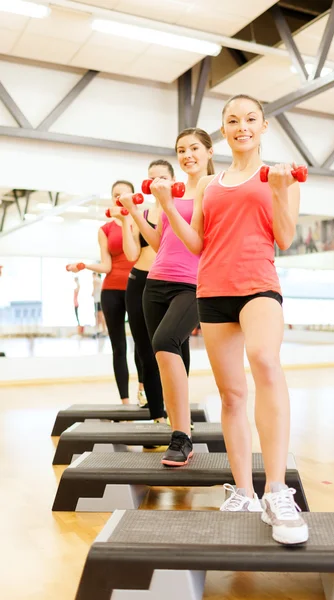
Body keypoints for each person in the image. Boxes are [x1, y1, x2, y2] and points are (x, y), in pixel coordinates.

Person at [153, 95, 308, 545]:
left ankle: (277, 490)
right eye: (232, 120)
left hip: (258, 284)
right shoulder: (208, 185)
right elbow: (198, 243)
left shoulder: (280, 177)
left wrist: (279, 191)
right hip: (212, 290)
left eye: (250, 119)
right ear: (225, 130)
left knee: (264, 361)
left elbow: (284, 236)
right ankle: (243, 490)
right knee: (232, 394)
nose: (242, 126)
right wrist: (165, 204)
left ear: (263, 128)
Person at [119, 128, 214, 463]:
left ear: (209, 152)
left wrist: (168, 204)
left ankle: (181, 436)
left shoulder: (211, 190)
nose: (187, 154)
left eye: (193, 148)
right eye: (181, 149)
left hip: (192, 283)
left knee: (163, 341)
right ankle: (179, 427)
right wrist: (135, 211)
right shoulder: (170, 193)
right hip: (156, 283)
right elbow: (160, 243)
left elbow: (199, 241)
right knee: (163, 355)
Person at [109, 160, 179, 422]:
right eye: (151, 179)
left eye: (162, 177)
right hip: (139, 282)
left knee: (174, 350)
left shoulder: (181, 210)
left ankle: (176, 414)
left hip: (172, 284)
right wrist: (127, 220)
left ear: (173, 180)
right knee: (145, 351)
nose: (156, 183)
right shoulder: (142, 213)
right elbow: (131, 253)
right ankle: (157, 415)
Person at [67, 181, 144, 405]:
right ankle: (125, 402)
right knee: (118, 347)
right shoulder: (105, 230)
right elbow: (107, 266)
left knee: (141, 343)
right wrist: (84, 266)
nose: (119, 198)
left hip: (136, 287)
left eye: (123, 194)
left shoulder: (138, 222)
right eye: (115, 195)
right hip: (111, 291)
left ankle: (143, 391)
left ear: (132, 195)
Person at [92, 272, 107, 336]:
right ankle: (102, 330)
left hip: (97, 300)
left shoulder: (95, 280)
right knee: (100, 315)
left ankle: (101, 330)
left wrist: (92, 293)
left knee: (99, 315)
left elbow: (94, 290)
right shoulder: (100, 280)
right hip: (101, 299)